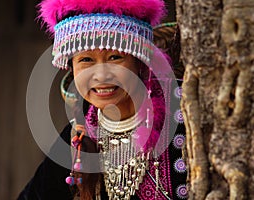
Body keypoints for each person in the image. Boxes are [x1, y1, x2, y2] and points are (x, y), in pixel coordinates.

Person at [18, 0, 187, 199]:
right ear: (72, 69)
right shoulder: (77, 139)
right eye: (86, 60)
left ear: (140, 62)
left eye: (115, 57)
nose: (101, 75)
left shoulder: (183, 111)